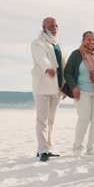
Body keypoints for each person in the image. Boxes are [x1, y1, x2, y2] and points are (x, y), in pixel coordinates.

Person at [63, 31, 94, 156]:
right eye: (88, 39)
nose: (91, 42)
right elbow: (67, 72)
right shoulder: (77, 54)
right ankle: (77, 148)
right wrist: (74, 87)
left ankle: (91, 148)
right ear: (83, 41)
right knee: (84, 119)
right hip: (82, 91)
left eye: (93, 39)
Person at [31, 17, 66, 162]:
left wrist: (64, 87)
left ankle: (48, 147)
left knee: (51, 120)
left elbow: (64, 64)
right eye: (51, 25)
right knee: (42, 120)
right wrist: (48, 69)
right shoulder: (38, 43)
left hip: (56, 87)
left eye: (56, 25)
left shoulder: (58, 44)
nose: (54, 27)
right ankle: (42, 151)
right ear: (44, 27)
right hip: (43, 86)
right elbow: (42, 58)